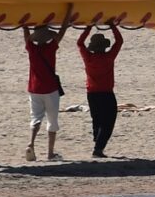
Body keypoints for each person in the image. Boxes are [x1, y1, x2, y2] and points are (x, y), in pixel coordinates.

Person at [21, 13, 72, 161]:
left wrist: (24, 23)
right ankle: (50, 153)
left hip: (34, 88)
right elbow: (61, 33)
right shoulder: (51, 48)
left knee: (35, 117)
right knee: (52, 120)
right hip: (50, 89)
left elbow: (26, 34)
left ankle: (30, 144)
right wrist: (67, 14)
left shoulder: (31, 49)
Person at [77, 21, 124, 158]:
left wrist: (89, 27)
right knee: (108, 121)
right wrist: (113, 26)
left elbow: (80, 43)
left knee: (96, 119)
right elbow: (119, 41)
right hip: (106, 93)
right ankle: (98, 149)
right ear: (104, 47)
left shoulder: (88, 58)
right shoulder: (108, 57)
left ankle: (97, 142)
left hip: (91, 94)